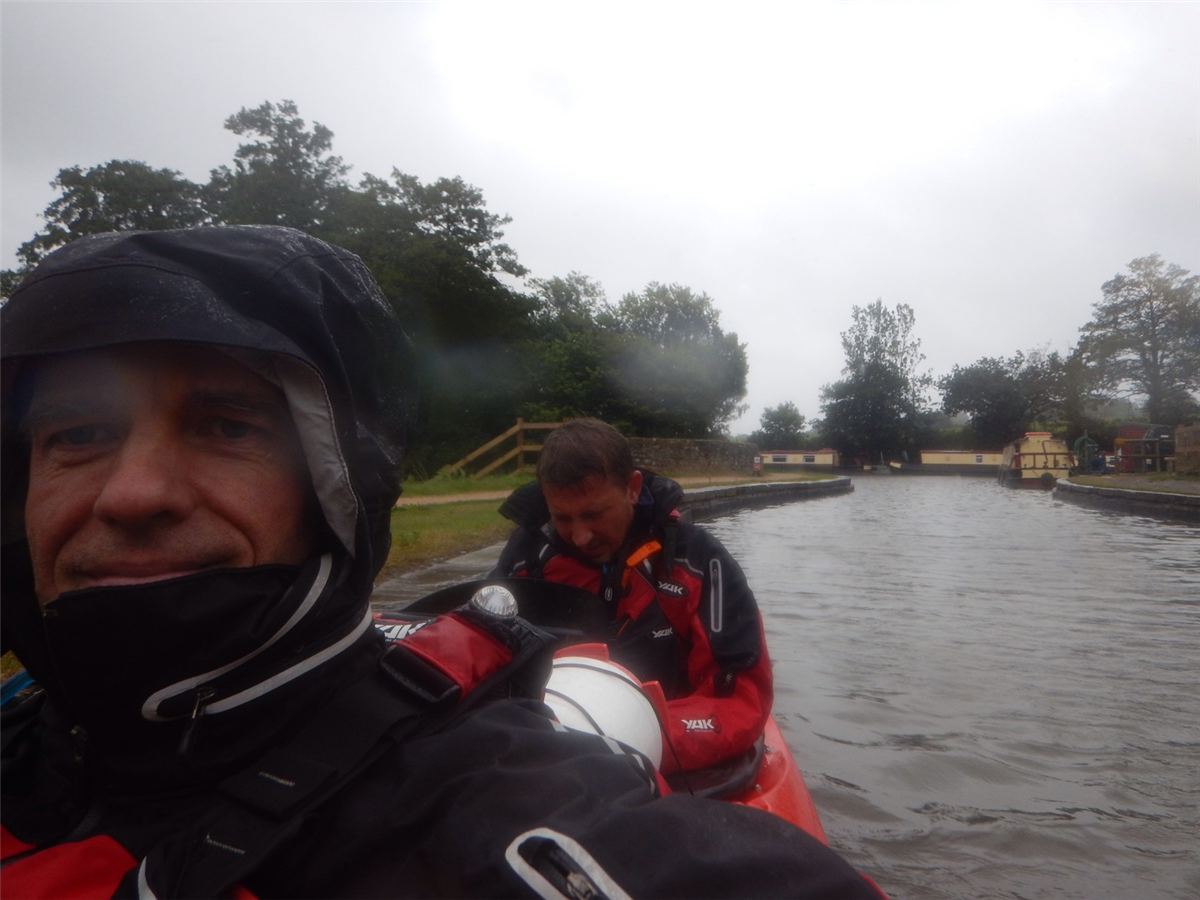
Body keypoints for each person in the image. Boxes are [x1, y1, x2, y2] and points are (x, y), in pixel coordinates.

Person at [0, 226, 882, 899]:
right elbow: (495, 619)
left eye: (225, 426)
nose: (131, 494)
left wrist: (637, 725)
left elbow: (743, 702)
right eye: (79, 434)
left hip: (645, 721)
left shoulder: (698, 570)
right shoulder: (534, 545)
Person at [491, 418, 772, 774]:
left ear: (633, 488)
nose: (580, 536)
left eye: (594, 514)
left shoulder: (699, 561)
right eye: (562, 518)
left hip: (662, 755)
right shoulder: (524, 557)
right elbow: (486, 658)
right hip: (544, 750)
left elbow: (739, 697)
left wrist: (628, 738)